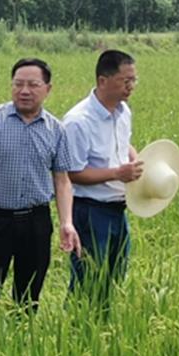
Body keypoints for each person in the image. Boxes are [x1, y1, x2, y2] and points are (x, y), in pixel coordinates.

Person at [0, 58, 81, 331]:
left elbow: (62, 180)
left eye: (32, 85)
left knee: (29, 294)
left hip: (37, 221)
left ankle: (19, 343)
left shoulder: (56, 130)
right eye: (18, 84)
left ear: (47, 89)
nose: (24, 91)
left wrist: (67, 222)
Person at [63, 49, 143, 303]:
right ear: (102, 81)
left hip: (118, 208)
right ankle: (78, 332)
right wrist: (118, 173)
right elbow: (72, 173)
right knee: (88, 282)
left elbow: (124, 144)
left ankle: (101, 329)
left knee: (114, 278)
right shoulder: (78, 121)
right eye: (125, 81)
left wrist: (138, 159)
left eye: (134, 80)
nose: (130, 87)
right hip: (89, 211)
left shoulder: (123, 112)